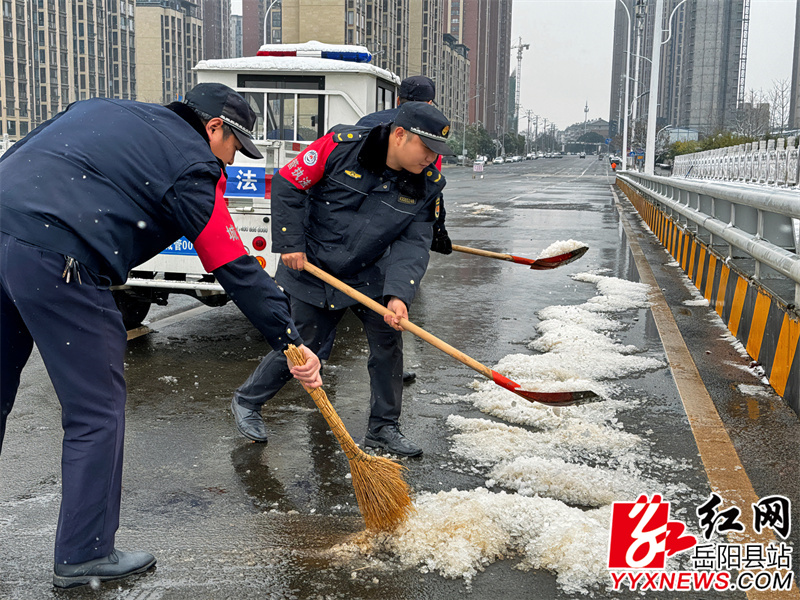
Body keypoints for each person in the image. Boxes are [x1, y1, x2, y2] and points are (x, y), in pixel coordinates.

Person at [0, 83, 321, 589]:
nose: (231, 160)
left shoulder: (102, 108)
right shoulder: (190, 163)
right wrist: (289, 338)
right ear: (213, 128)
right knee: (96, 409)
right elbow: (233, 265)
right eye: (234, 146)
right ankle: (85, 554)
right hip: (58, 258)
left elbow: (20, 158)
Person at [231, 102, 453, 457]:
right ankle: (248, 400)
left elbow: (413, 243)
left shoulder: (426, 184)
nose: (431, 158)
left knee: (388, 342)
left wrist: (399, 294)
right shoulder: (341, 147)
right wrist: (290, 242)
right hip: (314, 266)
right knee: (304, 346)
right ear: (399, 135)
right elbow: (288, 182)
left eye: (436, 152)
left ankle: (383, 427)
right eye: (426, 148)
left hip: (370, 271)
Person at [314, 75, 453, 376]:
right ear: (430, 103)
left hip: (350, 227)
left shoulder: (369, 122)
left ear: (398, 99)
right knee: (395, 299)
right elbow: (429, 195)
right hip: (392, 228)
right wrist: (438, 229)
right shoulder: (428, 134)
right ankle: (393, 369)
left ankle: (318, 358)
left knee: (327, 304)